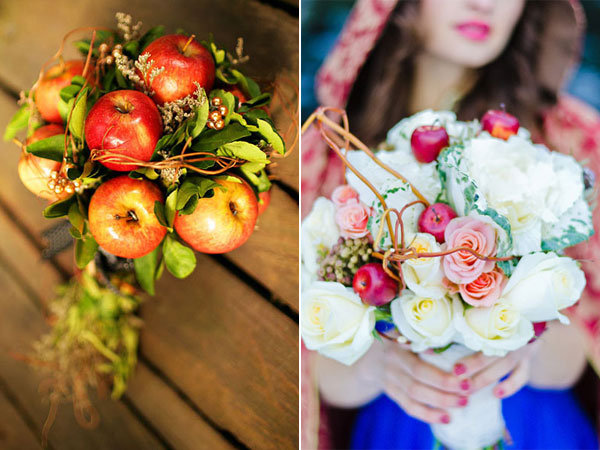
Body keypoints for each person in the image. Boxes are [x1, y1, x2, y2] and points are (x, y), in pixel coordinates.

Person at [301, 0, 600, 448]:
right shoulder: (331, 152)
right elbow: (315, 370)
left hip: (534, 425)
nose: (483, 4)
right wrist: (383, 365)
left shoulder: (568, 142)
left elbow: (580, 352)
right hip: (396, 429)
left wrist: (526, 343)